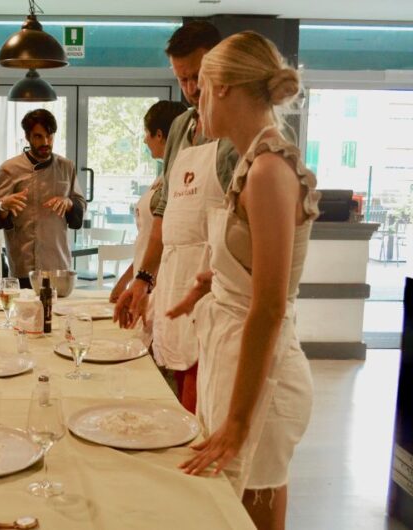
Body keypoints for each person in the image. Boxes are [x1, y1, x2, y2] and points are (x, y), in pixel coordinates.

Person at [167, 31, 317, 530]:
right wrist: (207, 283)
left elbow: (269, 305)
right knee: (229, 505)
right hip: (233, 358)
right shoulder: (252, 160)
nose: (196, 98)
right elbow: (251, 263)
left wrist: (237, 421)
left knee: (248, 510)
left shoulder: (270, 170)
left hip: (261, 378)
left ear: (225, 87)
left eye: (202, 86)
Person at [113, 21, 239, 413]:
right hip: (172, 282)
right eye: (181, 79)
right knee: (169, 403)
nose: (191, 89)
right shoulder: (183, 125)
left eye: (197, 76)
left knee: (201, 409)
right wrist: (142, 280)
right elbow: (164, 214)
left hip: (213, 294)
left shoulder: (236, 136)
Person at [0, 109, 86, 287]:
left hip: (58, 261)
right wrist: (4, 206)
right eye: (38, 137)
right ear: (27, 137)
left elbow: (79, 210)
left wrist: (69, 203)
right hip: (24, 261)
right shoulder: (9, 169)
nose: (45, 142)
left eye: (49, 136)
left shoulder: (66, 167)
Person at [109, 100, 187, 304]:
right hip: (145, 282)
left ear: (159, 135)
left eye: (146, 133)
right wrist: (127, 279)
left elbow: (161, 239)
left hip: (159, 287)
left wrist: (143, 280)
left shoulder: (180, 176)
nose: (144, 140)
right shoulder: (164, 175)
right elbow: (147, 240)